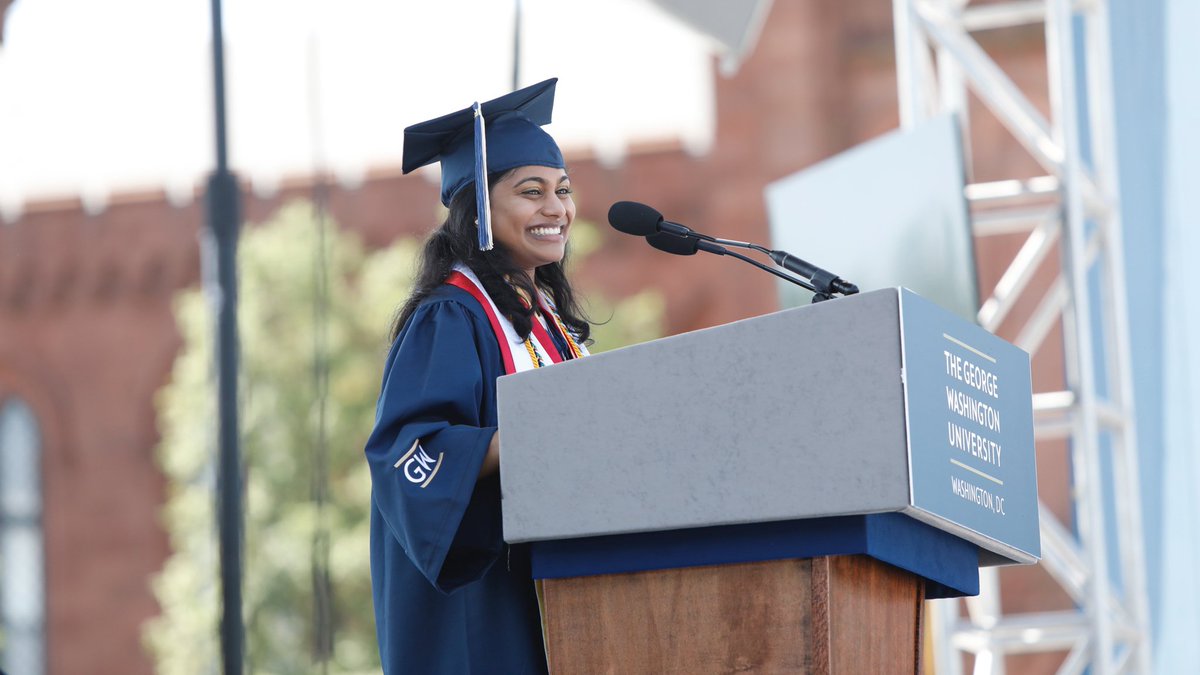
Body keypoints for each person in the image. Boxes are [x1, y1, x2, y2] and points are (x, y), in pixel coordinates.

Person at [364, 78, 590, 674]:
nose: (557, 208)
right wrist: (544, 433)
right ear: (480, 210)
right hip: (482, 609)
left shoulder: (544, 323)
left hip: (558, 596)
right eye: (531, 191)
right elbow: (409, 449)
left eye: (563, 191)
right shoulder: (452, 316)